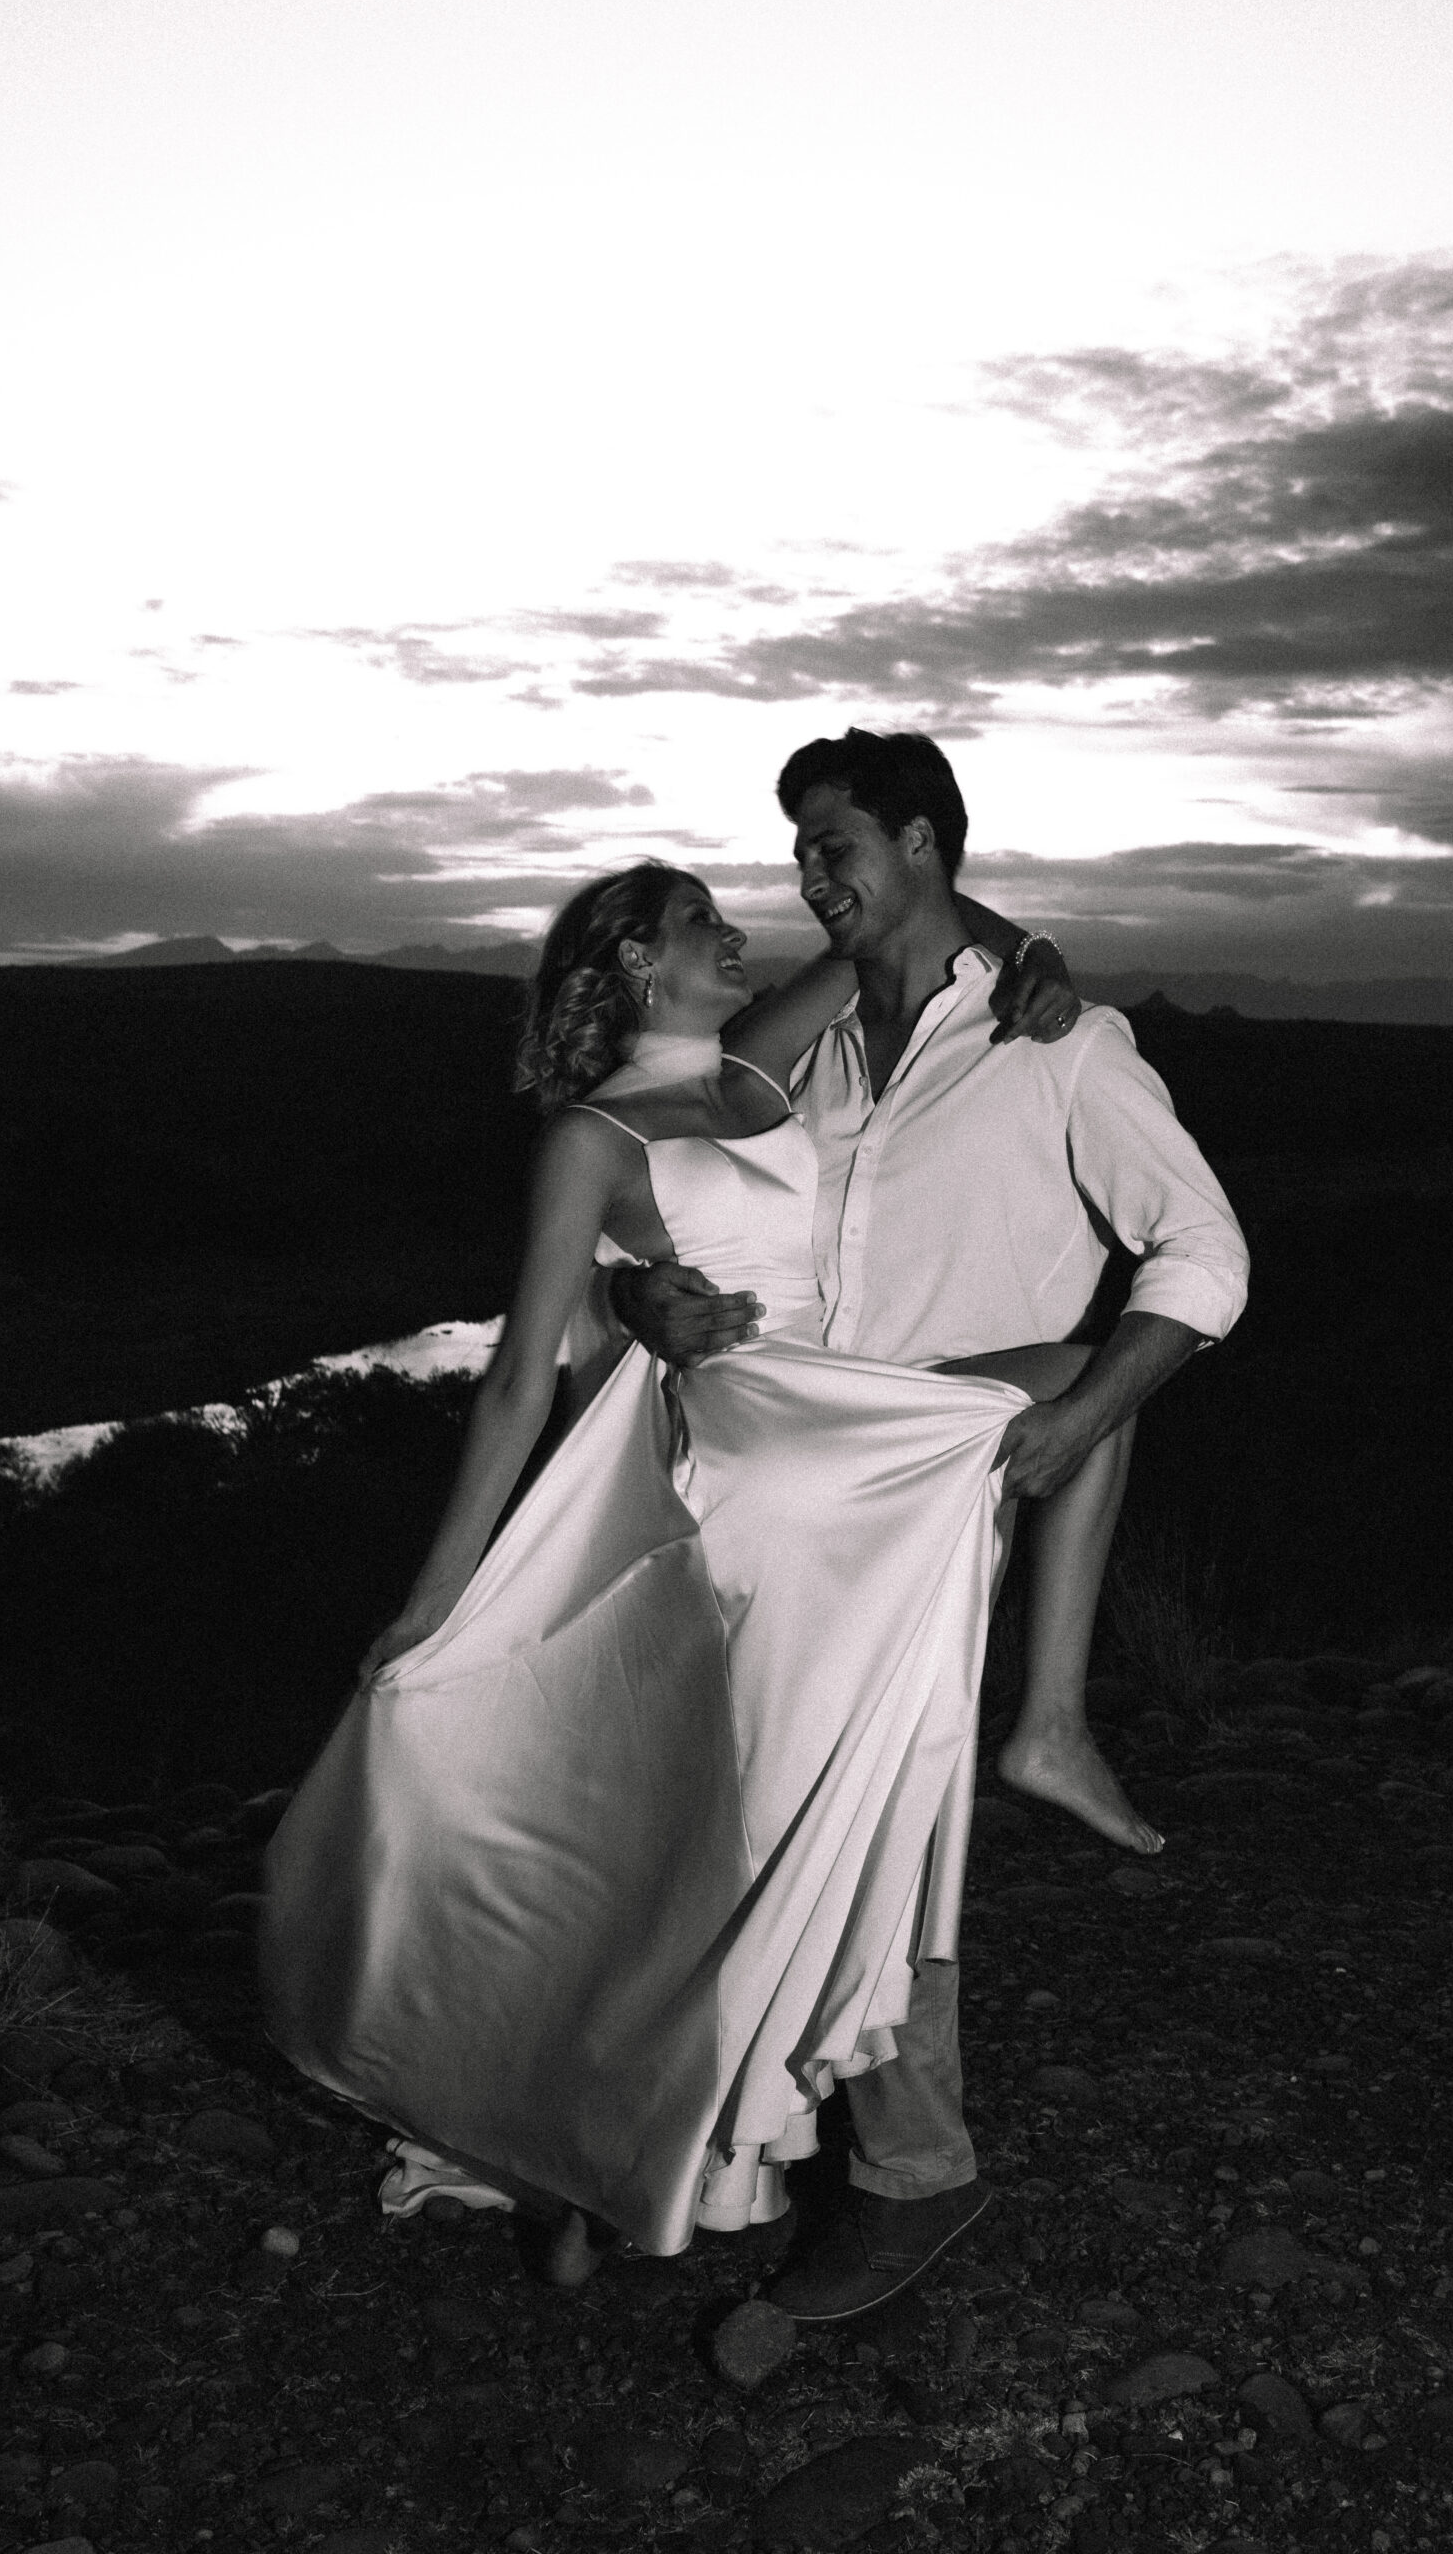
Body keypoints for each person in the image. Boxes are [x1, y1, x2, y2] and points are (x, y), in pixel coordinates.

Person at [260, 857, 1083, 2277]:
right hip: (753, 1465)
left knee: (1096, 1375)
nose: (740, 931)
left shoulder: (759, 1073)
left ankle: (618, 2146)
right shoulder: (590, 1136)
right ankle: (604, 2144)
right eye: (704, 921)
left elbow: (915, 925)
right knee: (695, 1841)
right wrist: (436, 1596)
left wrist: (1036, 948)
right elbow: (520, 1375)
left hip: (853, 1430)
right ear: (637, 961)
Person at [607, 729, 1249, 2319]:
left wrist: (1081, 1423)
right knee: (754, 1808)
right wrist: (645, 1288)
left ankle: (911, 2170)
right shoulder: (811, 1053)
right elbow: (661, 1182)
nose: (812, 877)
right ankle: (702, 2128)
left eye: (836, 845)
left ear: (920, 837)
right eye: (799, 853)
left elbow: (1205, 1255)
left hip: (943, 1479)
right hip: (773, 1462)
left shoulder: (1061, 1044)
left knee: (887, 1815)